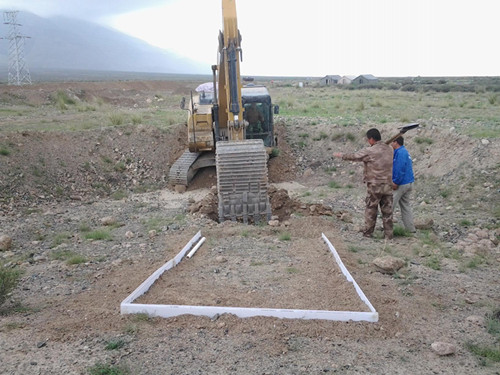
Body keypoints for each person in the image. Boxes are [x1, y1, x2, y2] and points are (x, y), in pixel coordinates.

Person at [333, 128, 393, 239]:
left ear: (371, 139)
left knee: (371, 209)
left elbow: (356, 156)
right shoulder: (390, 149)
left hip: (375, 184)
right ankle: (389, 235)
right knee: (387, 211)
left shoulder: (370, 151)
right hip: (388, 184)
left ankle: (368, 233)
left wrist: (341, 155)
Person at [391, 136, 416, 232]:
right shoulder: (405, 152)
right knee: (406, 207)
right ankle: (410, 229)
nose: (391, 144)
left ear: (396, 142)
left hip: (401, 183)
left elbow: (399, 169)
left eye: (392, 142)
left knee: (389, 206)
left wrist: (395, 182)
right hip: (409, 182)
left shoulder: (400, 153)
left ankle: (387, 229)